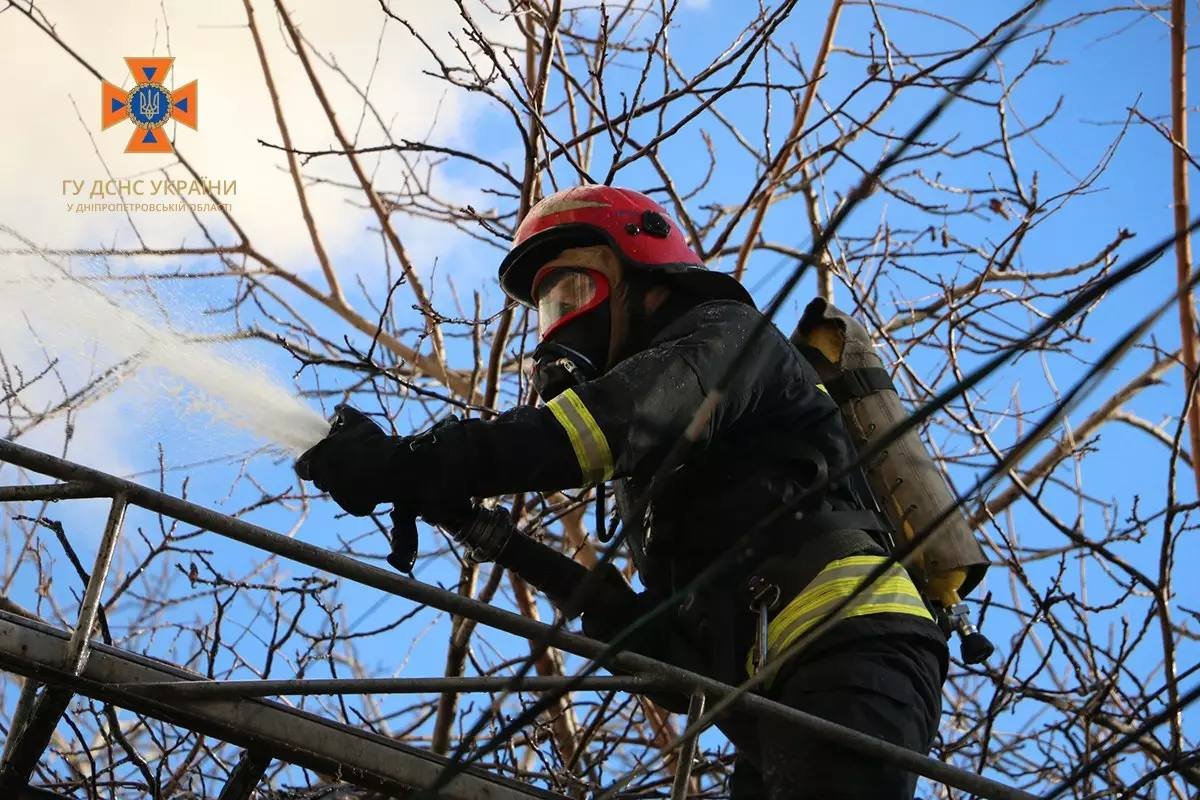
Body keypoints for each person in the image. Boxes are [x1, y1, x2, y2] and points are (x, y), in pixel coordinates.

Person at [295, 185, 948, 799]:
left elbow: (610, 424)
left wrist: (420, 461)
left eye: (574, 290)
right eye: (549, 307)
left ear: (650, 284)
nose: (558, 326)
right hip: (768, 696)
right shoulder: (668, 487)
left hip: (857, 650)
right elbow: (672, 660)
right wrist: (501, 542)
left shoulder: (729, 338)